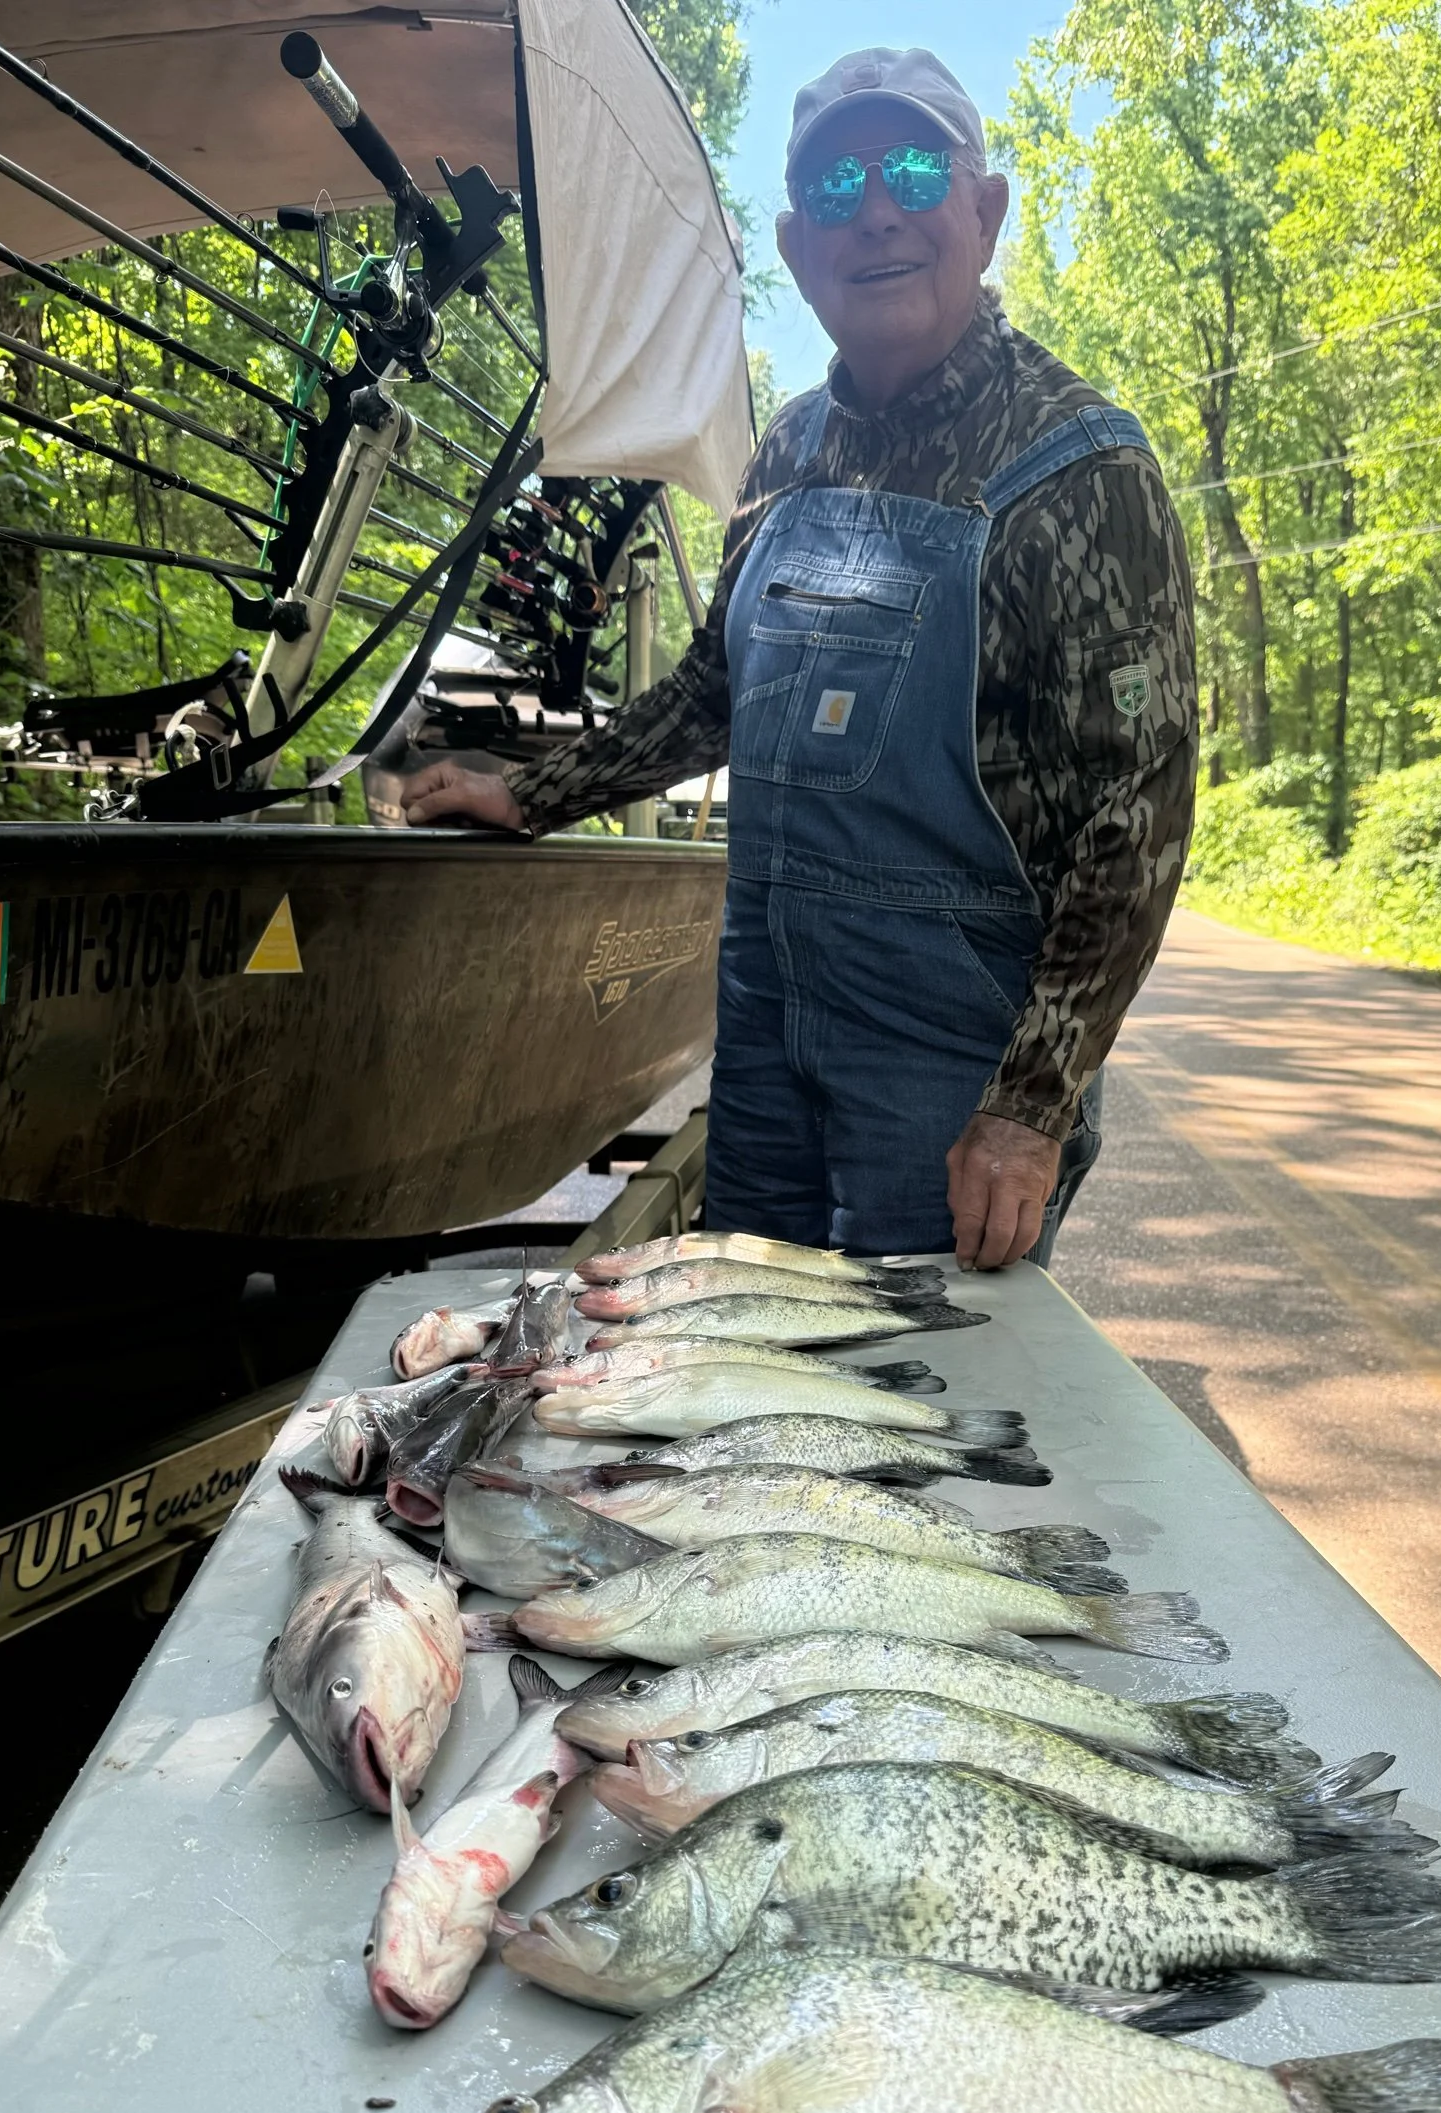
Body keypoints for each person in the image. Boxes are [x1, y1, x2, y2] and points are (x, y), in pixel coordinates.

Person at [401, 46, 1196, 1271]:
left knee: (912, 1414)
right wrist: (535, 788)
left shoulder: (1082, 469)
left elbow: (1136, 820)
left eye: (915, 168)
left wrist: (1031, 1108)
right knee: (753, 1379)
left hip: (949, 1066)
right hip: (765, 1036)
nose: (875, 209)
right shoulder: (784, 456)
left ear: (982, 213)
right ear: (793, 244)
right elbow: (720, 690)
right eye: (835, 186)